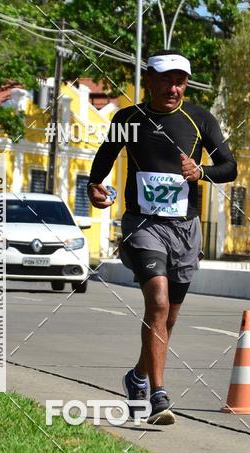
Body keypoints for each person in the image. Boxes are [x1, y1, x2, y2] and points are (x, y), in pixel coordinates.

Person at [88, 51, 237, 426]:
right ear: (148, 80)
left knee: (168, 317)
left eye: (180, 81)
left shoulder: (200, 119)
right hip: (143, 225)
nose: (173, 87)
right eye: (166, 80)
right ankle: (158, 394)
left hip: (185, 229)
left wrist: (201, 171)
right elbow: (104, 159)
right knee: (157, 299)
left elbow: (229, 167)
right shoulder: (128, 119)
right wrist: (94, 186)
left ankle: (137, 377)